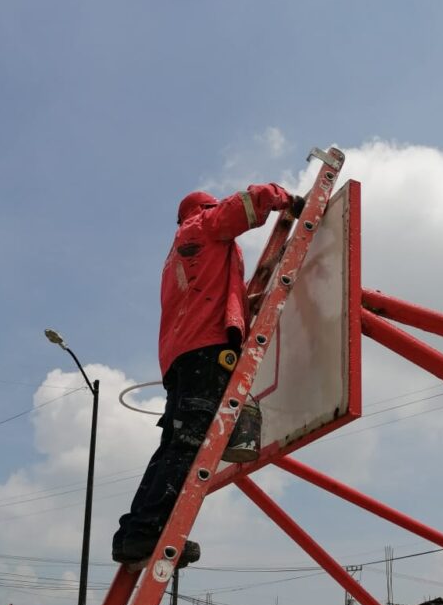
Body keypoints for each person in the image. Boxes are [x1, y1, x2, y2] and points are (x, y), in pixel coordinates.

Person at [112, 183, 304, 567]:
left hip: (182, 355)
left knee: (173, 445)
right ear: (203, 209)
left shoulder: (178, 253)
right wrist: (289, 200)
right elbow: (249, 201)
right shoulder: (203, 226)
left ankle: (135, 533)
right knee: (190, 444)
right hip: (205, 349)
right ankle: (148, 531)